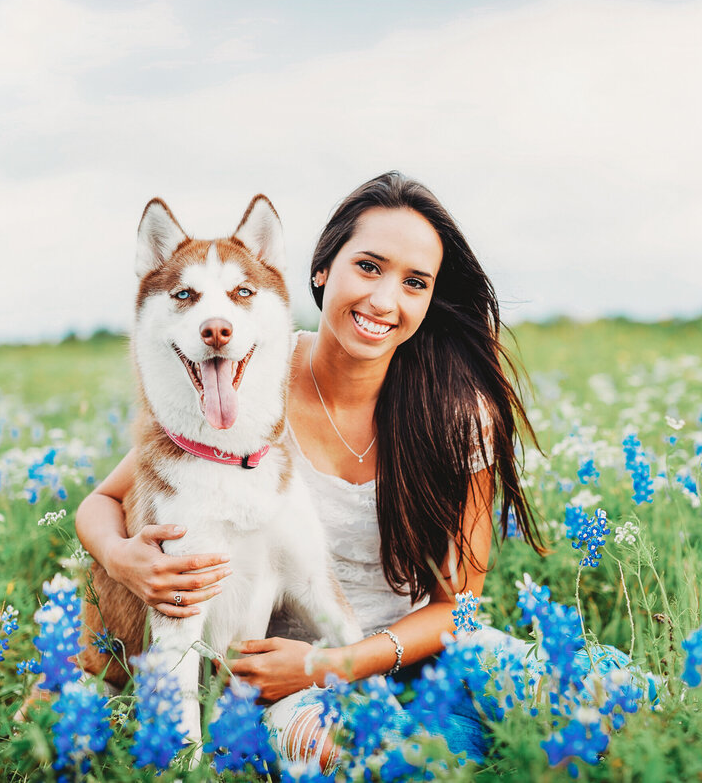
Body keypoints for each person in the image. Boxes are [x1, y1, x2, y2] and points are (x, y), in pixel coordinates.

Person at [75, 171, 591, 769]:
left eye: (414, 282)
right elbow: (105, 500)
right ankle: (440, 743)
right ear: (322, 268)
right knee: (365, 762)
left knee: (600, 700)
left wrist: (344, 662)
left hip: (422, 648)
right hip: (287, 675)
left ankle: (451, 732)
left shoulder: (453, 410)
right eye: (369, 267)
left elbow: (460, 604)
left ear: (427, 301)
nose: (383, 299)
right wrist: (121, 559)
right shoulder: (248, 374)